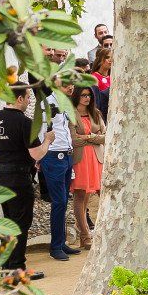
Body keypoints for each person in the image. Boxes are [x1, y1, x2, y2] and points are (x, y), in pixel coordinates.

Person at [0, 85, 50, 278]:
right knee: (20, 223)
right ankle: (17, 268)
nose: (29, 101)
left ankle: (6, 267)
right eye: (28, 98)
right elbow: (36, 154)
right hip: (18, 179)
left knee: (6, 222)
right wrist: (47, 141)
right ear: (19, 99)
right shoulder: (25, 123)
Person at [37, 89, 76, 262]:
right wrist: (41, 155)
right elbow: (40, 130)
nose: (70, 87)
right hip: (53, 155)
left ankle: (61, 242)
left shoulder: (66, 102)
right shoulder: (47, 103)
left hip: (67, 154)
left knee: (64, 201)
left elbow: (65, 128)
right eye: (66, 83)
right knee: (59, 201)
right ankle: (55, 247)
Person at [69, 82, 103, 250]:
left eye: (89, 95)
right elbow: (73, 140)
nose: (87, 98)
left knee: (90, 196)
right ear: (77, 96)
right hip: (80, 159)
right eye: (83, 95)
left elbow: (105, 136)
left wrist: (87, 137)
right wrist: (94, 137)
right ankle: (85, 234)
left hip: (96, 158)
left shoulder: (96, 113)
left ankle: (83, 231)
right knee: (80, 195)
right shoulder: (70, 114)